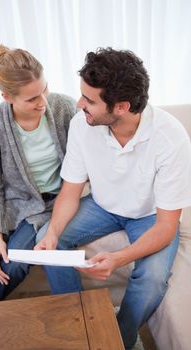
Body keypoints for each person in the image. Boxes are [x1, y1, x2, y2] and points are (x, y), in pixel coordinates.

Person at [35, 48, 191, 349]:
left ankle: (118, 336)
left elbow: (166, 226)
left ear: (121, 107)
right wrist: (53, 233)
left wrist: (118, 258)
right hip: (102, 206)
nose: (79, 104)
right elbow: (70, 191)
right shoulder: (82, 124)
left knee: (153, 277)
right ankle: (79, 323)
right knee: (48, 239)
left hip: (149, 216)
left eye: (89, 100)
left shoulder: (170, 138)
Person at [0, 45, 76, 305]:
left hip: (48, 207)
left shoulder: (65, 108)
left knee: (14, 267)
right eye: (32, 98)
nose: (42, 102)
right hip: (10, 205)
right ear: (7, 97)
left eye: (44, 89)